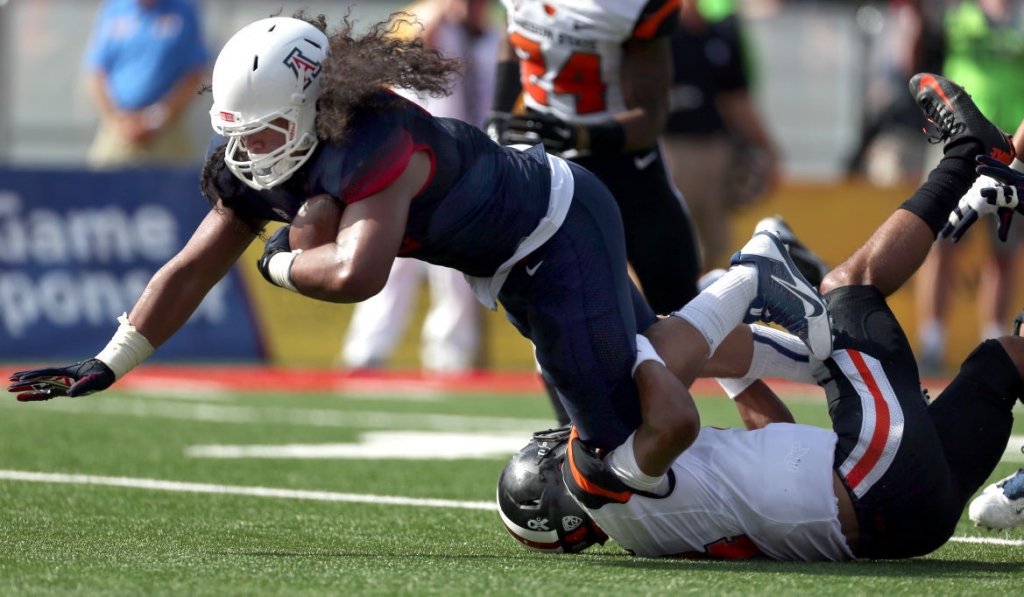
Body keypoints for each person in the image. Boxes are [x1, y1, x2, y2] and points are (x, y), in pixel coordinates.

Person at [7, 13, 689, 463]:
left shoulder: (376, 140)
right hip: (508, 260)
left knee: (614, 449)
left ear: (310, 107)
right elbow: (189, 267)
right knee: (646, 361)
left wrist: (278, 266)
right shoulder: (270, 145)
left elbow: (359, 274)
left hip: (556, 227)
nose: (249, 147)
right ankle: (760, 320)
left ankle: (751, 309)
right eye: (237, 130)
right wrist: (110, 360)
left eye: (265, 128)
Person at [497, 72, 1024, 559]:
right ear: (547, 470)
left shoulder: (646, 531)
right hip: (875, 477)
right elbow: (674, 416)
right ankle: (966, 154)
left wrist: (734, 376)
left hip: (909, 524)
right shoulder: (604, 478)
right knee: (849, 286)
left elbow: (781, 450)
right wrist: (653, 343)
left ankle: (807, 337)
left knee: (1004, 362)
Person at [486, 0, 702, 424]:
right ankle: (576, 439)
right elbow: (513, 41)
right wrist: (498, 112)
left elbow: (650, 118)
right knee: (553, 304)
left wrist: (580, 131)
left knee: (682, 306)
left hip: (624, 165)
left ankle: (755, 301)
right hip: (550, 166)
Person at [339, 0, 495, 373]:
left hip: (468, 162)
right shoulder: (426, 20)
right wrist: (441, 11)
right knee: (393, 260)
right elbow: (397, 53)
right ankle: (367, 352)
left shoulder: (493, 35)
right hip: (412, 157)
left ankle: (451, 357)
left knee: (458, 270)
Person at [911, 0, 1024, 373]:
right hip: (958, 142)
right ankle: (932, 342)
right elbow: (915, 41)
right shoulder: (955, 11)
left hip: (1014, 148)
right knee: (940, 239)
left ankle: (993, 344)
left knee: (1003, 250)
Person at [663, 0, 780, 272]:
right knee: (671, 247)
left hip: (715, 148)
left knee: (715, 248)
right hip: (672, 148)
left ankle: (696, 311)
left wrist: (765, 147)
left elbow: (735, 100)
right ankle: (666, 312)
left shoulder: (719, 34)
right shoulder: (660, 35)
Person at [83, 0, 209, 168]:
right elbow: (96, 71)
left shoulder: (183, 10)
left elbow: (196, 72)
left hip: (166, 129)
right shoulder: (115, 9)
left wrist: (156, 117)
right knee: (97, 183)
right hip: (118, 126)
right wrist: (115, 119)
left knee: (176, 188)